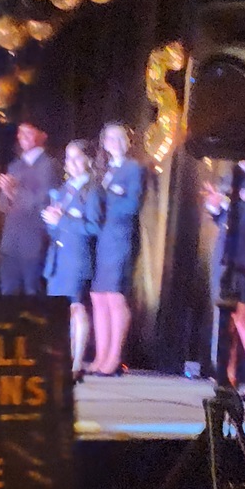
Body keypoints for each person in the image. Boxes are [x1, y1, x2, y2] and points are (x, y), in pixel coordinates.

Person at [203, 160, 245, 402]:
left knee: (242, 316)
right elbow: (221, 215)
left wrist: (230, 202)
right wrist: (215, 206)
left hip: (244, 249)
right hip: (225, 249)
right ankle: (227, 376)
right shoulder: (231, 170)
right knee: (227, 318)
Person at [41, 139, 101, 381]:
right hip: (57, 257)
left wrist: (63, 221)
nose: (72, 163)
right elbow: (56, 228)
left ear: (88, 160)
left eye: (77, 158)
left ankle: (77, 363)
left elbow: (94, 227)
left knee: (76, 308)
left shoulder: (93, 190)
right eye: (68, 158)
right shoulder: (65, 190)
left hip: (77, 257)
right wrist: (51, 220)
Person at [88, 123, 144, 376]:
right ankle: (100, 355)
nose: (114, 142)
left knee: (115, 296)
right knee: (98, 296)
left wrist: (111, 202)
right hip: (103, 237)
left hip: (120, 235)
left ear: (128, 142)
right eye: (109, 137)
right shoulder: (103, 170)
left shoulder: (133, 168)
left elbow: (132, 205)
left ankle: (114, 357)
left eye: (119, 137)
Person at [0, 120, 62, 296]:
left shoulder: (49, 165)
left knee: (32, 294)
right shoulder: (14, 166)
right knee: (8, 292)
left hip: (33, 240)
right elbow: (2, 204)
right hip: (10, 242)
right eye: (20, 133)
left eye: (29, 132)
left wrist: (15, 191)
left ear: (42, 136)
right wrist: (7, 193)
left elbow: (43, 202)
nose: (22, 137)